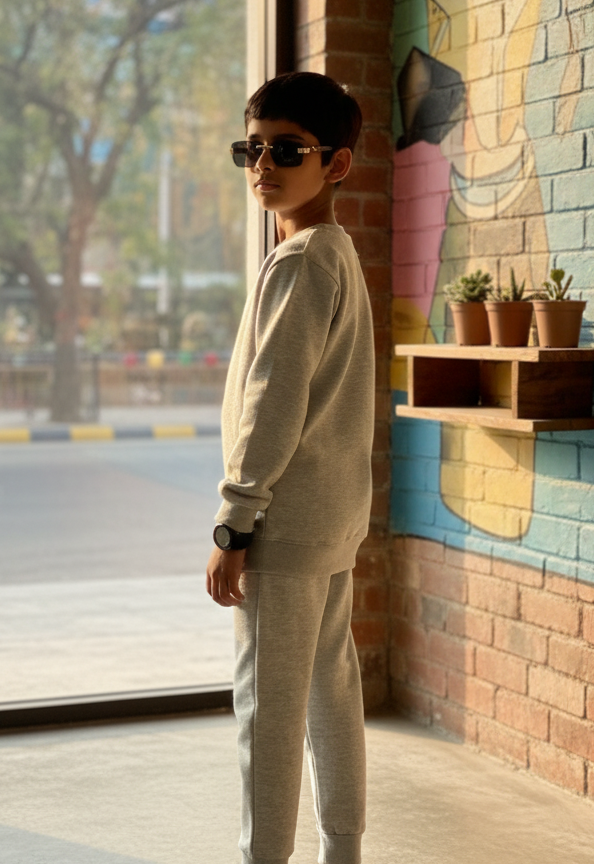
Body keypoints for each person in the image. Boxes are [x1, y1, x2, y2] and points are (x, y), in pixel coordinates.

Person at [206, 72, 374, 864]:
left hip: (282, 526)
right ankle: (342, 850)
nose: (263, 165)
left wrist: (234, 523)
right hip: (330, 523)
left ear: (335, 164)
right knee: (330, 693)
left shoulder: (301, 262)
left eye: (286, 150)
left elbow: (272, 403)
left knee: (267, 715)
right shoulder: (335, 253)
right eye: (252, 150)